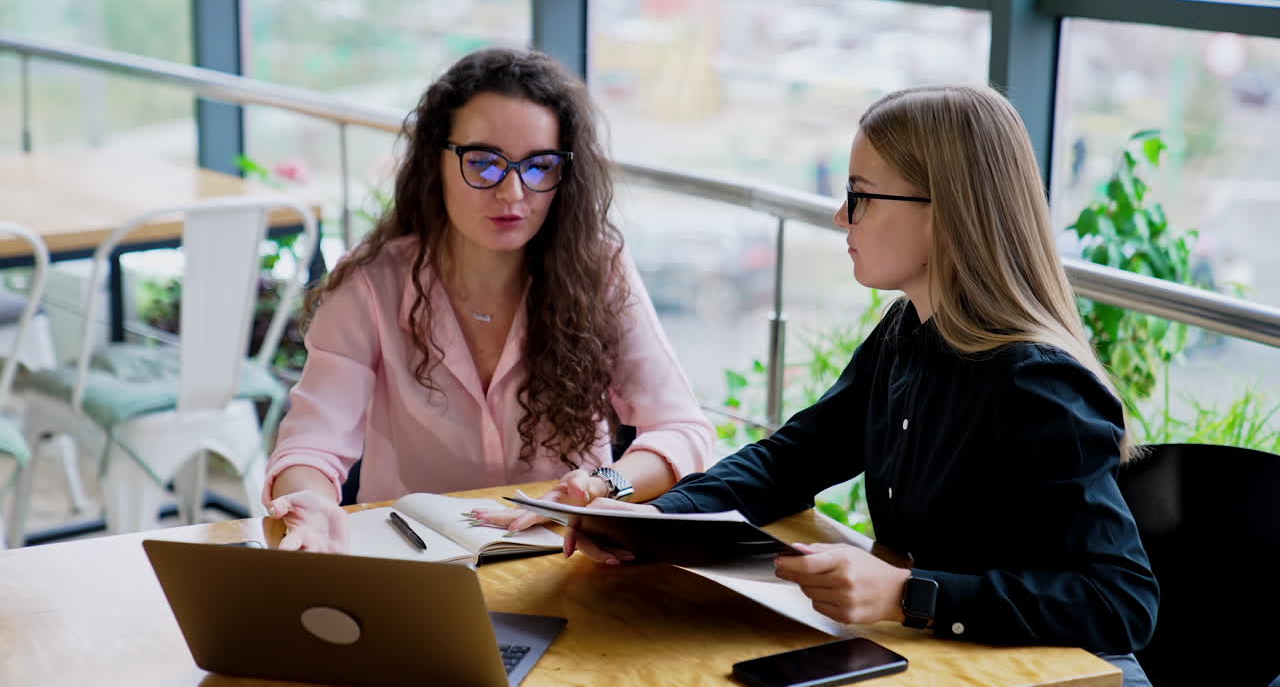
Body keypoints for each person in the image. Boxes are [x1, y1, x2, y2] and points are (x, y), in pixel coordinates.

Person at [557, 85, 1159, 686]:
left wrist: (910, 595)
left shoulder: (1038, 384)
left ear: (944, 211)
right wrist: (653, 522)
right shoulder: (907, 330)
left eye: (860, 196)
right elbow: (792, 459)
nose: (841, 217)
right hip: (947, 665)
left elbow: (1120, 604)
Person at [264, 48, 715, 552]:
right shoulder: (370, 282)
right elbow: (310, 446)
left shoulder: (599, 268)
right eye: (483, 163)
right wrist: (311, 504)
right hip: (411, 561)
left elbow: (681, 429)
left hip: (561, 556)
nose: (513, 193)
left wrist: (603, 485)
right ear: (437, 159)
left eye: (540, 166)